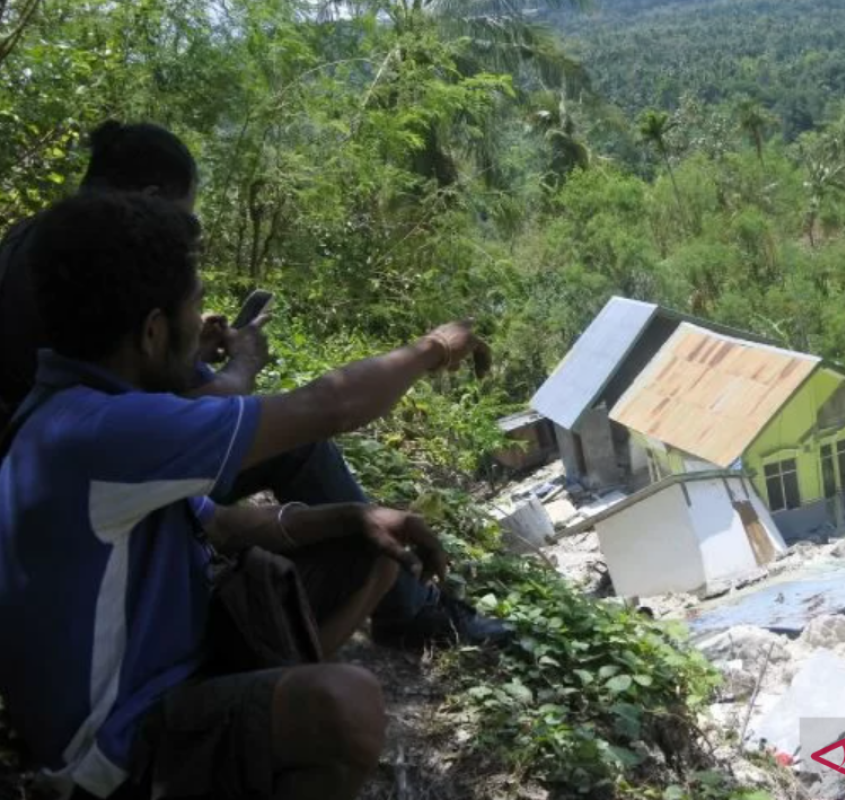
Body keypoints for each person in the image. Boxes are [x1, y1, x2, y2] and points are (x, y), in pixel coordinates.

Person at [0, 191, 493, 800]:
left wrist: (353, 515)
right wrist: (434, 348)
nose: (204, 324)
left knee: (368, 548)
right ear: (153, 333)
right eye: (194, 307)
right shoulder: (102, 432)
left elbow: (225, 526)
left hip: (164, 668)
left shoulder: (80, 413)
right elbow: (329, 406)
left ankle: (259, 737)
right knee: (345, 705)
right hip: (111, 757)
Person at [0, 120, 507, 646]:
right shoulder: (85, 276)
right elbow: (326, 406)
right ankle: (405, 614)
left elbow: (123, 383)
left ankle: (378, 597)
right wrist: (433, 348)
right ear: (150, 200)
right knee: (301, 444)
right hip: (99, 496)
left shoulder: (55, 245)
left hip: (70, 487)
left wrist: (182, 349)